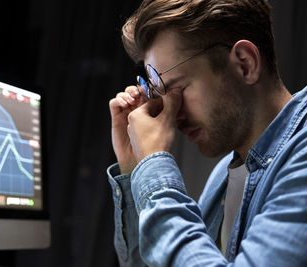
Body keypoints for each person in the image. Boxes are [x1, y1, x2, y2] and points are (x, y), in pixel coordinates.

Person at [107, 0, 307, 266]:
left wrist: (154, 171)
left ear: (244, 64)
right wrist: (135, 171)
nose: (172, 114)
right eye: (160, 93)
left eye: (178, 88)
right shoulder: (224, 176)